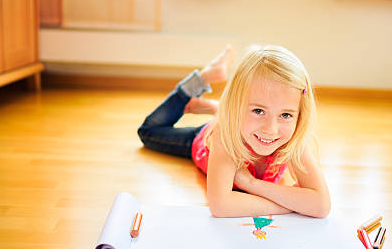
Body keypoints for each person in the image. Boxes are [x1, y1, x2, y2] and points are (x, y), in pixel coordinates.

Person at [137, 44, 330, 218]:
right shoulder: (224, 135)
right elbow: (221, 206)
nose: (271, 130)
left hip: (238, 122)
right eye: (258, 111)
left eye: (286, 115)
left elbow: (321, 206)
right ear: (235, 106)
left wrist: (251, 184)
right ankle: (200, 81)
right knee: (148, 131)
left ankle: (217, 107)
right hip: (202, 139)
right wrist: (291, 206)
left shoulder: (294, 138)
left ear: (299, 115)